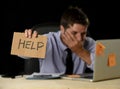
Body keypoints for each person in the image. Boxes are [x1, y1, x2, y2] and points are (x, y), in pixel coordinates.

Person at [21, 6, 96, 75]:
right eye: (74, 33)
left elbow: (104, 68)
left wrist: (80, 51)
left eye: (83, 33)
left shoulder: (89, 43)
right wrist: (27, 40)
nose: (80, 38)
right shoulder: (48, 40)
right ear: (62, 29)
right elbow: (23, 54)